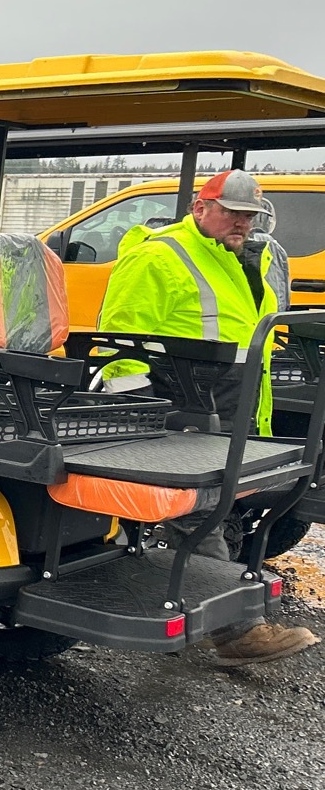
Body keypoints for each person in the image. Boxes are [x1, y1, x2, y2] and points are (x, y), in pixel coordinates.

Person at [98, 169, 316, 667]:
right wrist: (140, 408)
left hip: (227, 404)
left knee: (211, 508)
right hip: (186, 404)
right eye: (232, 212)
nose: (242, 222)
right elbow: (120, 336)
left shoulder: (239, 259)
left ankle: (190, 601)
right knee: (200, 512)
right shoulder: (159, 255)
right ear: (200, 208)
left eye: (249, 216)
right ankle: (236, 631)